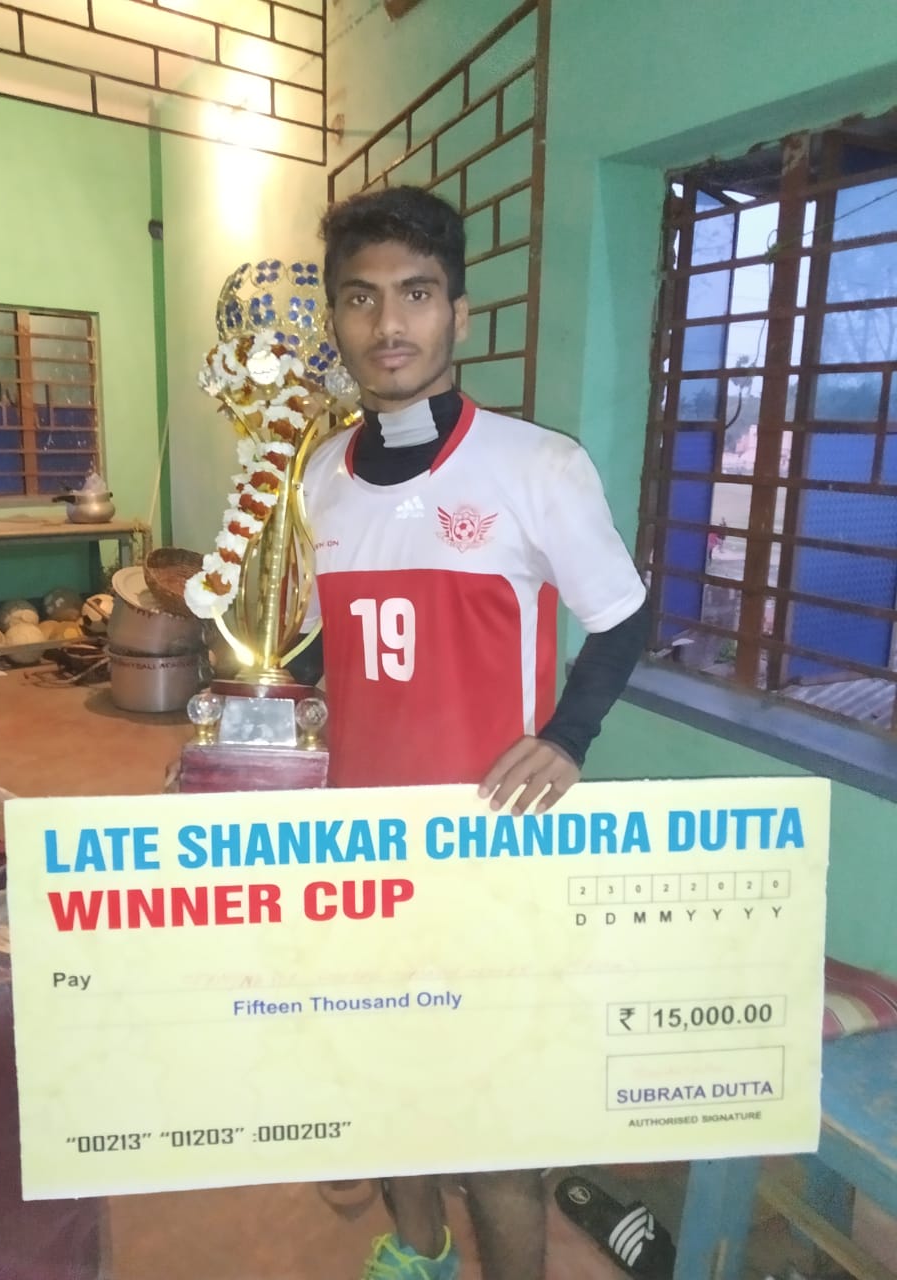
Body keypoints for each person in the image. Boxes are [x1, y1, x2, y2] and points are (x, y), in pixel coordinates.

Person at [291, 185, 649, 1280]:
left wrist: (569, 736)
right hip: (356, 845)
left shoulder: (536, 465)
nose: (388, 323)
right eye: (361, 298)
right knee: (384, 1079)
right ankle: (419, 1249)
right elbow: (323, 647)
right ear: (336, 319)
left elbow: (623, 616)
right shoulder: (317, 479)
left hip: (491, 850)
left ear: (458, 312)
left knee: (496, 1128)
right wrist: (260, 690)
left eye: (416, 293)